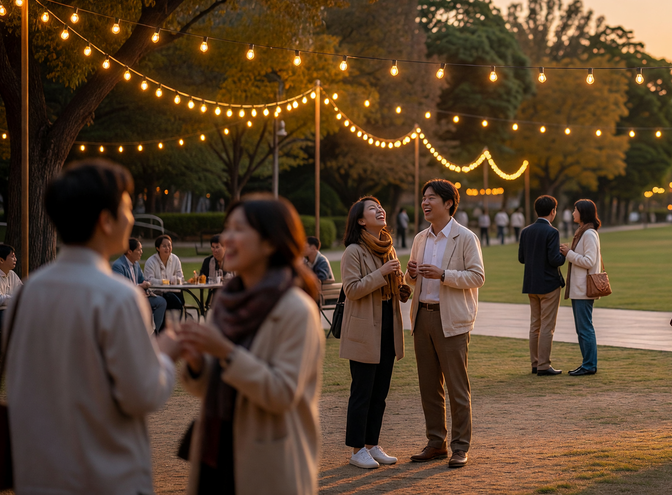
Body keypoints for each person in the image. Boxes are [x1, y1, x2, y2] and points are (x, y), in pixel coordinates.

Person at [6, 160, 181, 493]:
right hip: (105, 478)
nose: (131, 219)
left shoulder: (27, 293)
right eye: (128, 208)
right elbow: (143, 394)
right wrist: (166, 354)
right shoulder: (119, 297)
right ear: (105, 220)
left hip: (38, 476)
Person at [176, 195, 325, 494]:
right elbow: (210, 385)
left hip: (268, 464)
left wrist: (225, 351)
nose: (226, 239)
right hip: (215, 456)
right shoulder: (227, 301)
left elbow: (282, 393)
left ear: (270, 243)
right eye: (226, 228)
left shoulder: (296, 309)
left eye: (238, 230)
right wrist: (196, 363)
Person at [407, 180, 485, 469]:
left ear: (449, 203)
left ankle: (460, 447)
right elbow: (411, 280)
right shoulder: (420, 239)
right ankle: (435, 442)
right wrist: (410, 273)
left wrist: (443, 275)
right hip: (422, 316)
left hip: (451, 318)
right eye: (423, 198)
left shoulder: (465, 238)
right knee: (429, 386)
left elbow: (477, 277)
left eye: (431, 198)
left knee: (456, 387)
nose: (425, 203)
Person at [340, 196, 411, 470]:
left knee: (380, 392)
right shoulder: (353, 251)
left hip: (387, 325)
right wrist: (382, 272)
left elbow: (393, 290)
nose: (380, 210)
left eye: (380, 207)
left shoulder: (388, 249)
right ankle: (357, 449)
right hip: (363, 327)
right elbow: (352, 290)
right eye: (373, 209)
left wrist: (403, 285)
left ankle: (372, 444)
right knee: (363, 392)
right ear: (360, 220)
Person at [518, 195, 567, 376]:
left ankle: (535, 362)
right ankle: (544, 365)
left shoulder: (526, 231)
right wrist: (564, 253)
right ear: (553, 211)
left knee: (535, 325)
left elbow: (521, 258)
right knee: (547, 326)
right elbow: (554, 260)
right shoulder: (552, 232)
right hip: (549, 284)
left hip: (531, 283)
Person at [560, 199, 602, 376]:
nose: (572, 213)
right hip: (580, 288)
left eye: (575, 210)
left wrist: (568, 253)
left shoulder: (588, 234)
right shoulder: (583, 232)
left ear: (583, 212)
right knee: (582, 328)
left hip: (583, 288)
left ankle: (589, 364)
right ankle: (587, 363)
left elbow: (589, 261)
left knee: (585, 328)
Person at [112, 238, 166, 333]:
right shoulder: (118, 266)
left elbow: (143, 280)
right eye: (139, 249)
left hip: (140, 297)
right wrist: (139, 287)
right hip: (128, 300)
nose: (141, 252)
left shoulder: (136, 264)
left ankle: (154, 333)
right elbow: (121, 288)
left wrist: (147, 284)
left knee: (161, 301)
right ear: (129, 251)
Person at [146, 234, 188, 321]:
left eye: (169, 245)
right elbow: (149, 280)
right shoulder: (151, 262)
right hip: (157, 293)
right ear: (157, 248)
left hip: (173, 292)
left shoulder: (175, 259)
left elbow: (181, 277)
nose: (167, 248)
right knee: (171, 301)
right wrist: (164, 281)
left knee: (178, 301)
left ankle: (176, 327)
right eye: (164, 246)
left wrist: (176, 280)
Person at [0, 244, 22, 331]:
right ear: (1, 260)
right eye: (12, 256)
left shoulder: (12, 274)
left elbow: (22, 290)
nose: (15, 259)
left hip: (7, 311)